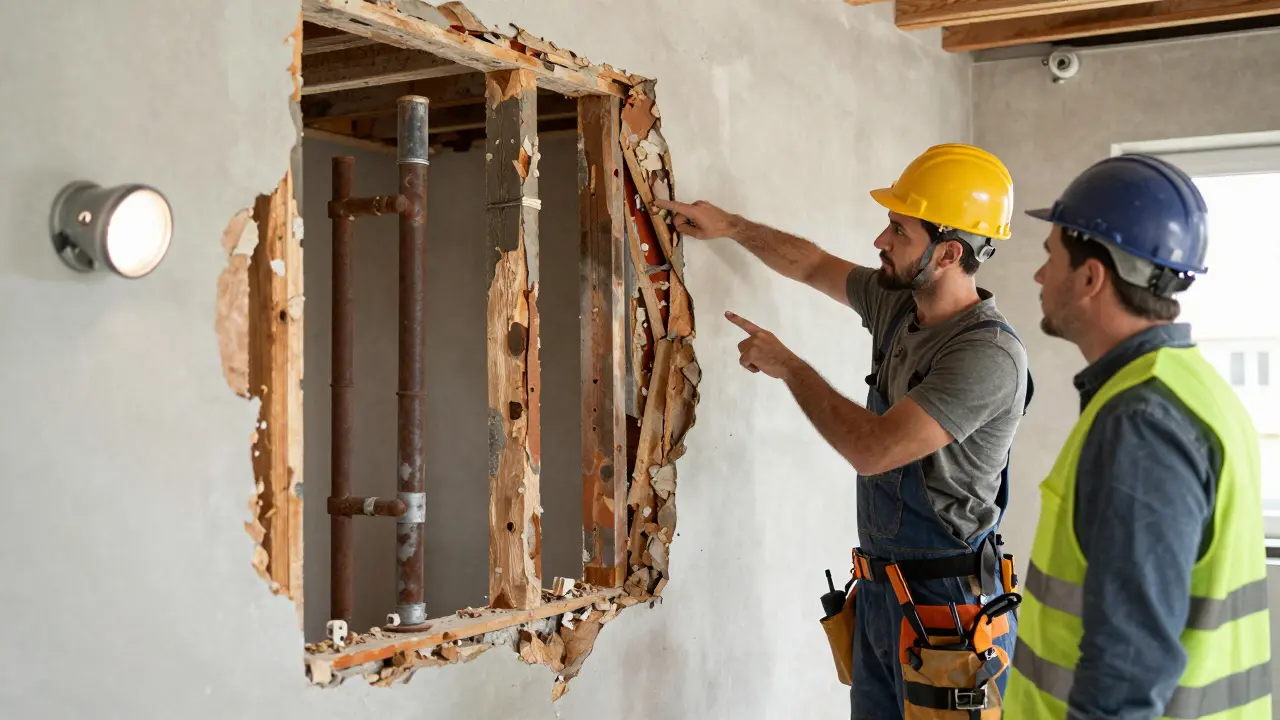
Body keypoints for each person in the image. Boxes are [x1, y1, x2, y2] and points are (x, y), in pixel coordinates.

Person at [656, 143, 1032, 718]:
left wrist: (789, 367)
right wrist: (729, 225)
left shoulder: (986, 355)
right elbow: (810, 263)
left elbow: (874, 450)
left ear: (948, 251)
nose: (881, 241)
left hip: (947, 608)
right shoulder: (900, 305)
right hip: (884, 593)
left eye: (899, 231)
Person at [1005, 154, 1272, 719]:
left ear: (1090, 277)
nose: (1038, 275)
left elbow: (1126, 672)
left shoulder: (1142, 423)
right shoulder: (1196, 389)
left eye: (1049, 256)